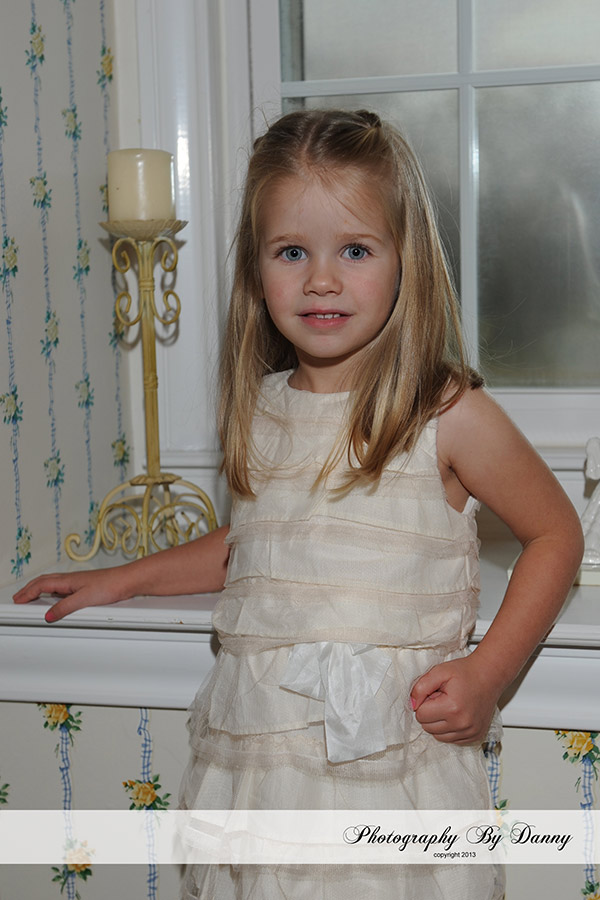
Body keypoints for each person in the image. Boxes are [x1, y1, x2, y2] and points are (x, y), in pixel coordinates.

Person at [14, 109, 583, 898]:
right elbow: (256, 549)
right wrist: (123, 578)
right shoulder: (262, 408)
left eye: (355, 250)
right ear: (256, 270)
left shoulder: (445, 413)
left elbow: (556, 533)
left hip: (391, 782)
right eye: (291, 252)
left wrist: (488, 674)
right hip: (268, 779)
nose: (321, 279)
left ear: (405, 260)